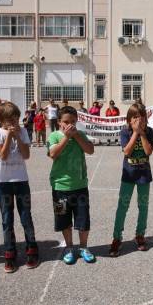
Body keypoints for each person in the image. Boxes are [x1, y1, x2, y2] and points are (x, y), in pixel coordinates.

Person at [0, 100, 38, 273]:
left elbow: (26, 155)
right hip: (3, 182)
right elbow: (2, 155)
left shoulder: (23, 131)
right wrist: (9, 135)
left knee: (26, 217)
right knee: (6, 219)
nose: (14, 123)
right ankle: (10, 252)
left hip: (21, 180)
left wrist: (17, 135)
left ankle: (32, 249)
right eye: (10, 120)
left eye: (16, 119)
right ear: (1, 120)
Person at [47, 106, 95, 265]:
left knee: (83, 219)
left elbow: (90, 150)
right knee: (63, 219)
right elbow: (53, 154)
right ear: (59, 122)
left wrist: (76, 137)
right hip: (60, 187)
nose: (69, 125)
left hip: (80, 185)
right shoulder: (54, 136)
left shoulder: (80, 134)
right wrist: (66, 137)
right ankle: (69, 247)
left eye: (73, 121)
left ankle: (83, 247)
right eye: (66, 122)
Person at [109, 103, 153, 257]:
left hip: (144, 175)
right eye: (135, 117)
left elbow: (148, 151)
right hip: (128, 175)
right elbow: (127, 151)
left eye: (141, 117)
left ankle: (140, 234)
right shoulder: (124, 132)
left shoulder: (149, 132)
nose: (138, 120)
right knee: (123, 207)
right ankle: (117, 237)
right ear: (129, 120)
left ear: (146, 119)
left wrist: (141, 133)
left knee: (143, 206)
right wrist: (135, 133)